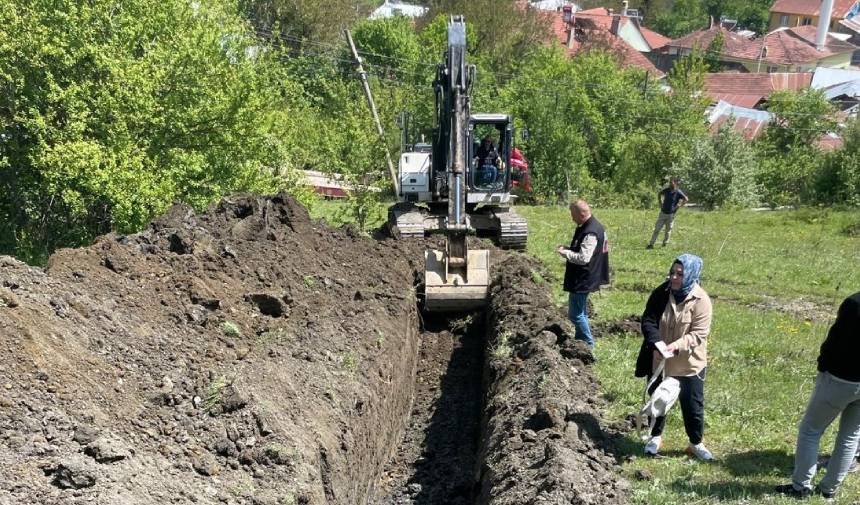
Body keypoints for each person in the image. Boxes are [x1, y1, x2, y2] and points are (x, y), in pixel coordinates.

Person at [775, 291, 860, 500]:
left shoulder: (854, 303)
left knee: (810, 430)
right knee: (850, 436)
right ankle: (829, 490)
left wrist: (823, 365)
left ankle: (800, 486)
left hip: (840, 379)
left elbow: (836, 340)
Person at [634, 254, 714, 460]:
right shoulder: (661, 293)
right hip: (661, 361)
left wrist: (675, 347)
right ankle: (655, 436)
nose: (674, 277)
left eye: (680, 274)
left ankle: (695, 443)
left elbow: (698, 333)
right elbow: (648, 320)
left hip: (689, 364)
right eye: (672, 273)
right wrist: (656, 343)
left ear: (692, 275)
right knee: (658, 400)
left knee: (693, 407)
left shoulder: (701, 300)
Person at [556, 200, 609, 349]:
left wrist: (565, 253)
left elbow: (584, 258)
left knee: (575, 314)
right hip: (586, 276)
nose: (572, 218)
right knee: (581, 313)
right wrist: (570, 248)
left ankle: (589, 344)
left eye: (573, 215)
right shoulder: (591, 226)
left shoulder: (591, 231)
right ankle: (581, 341)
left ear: (582, 214)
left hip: (583, 278)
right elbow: (584, 250)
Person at [647, 177, 688, 249]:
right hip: (663, 213)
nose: (670, 184)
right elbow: (659, 194)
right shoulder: (666, 190)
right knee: (657, 229)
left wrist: (679, 206)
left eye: (671, 183)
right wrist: (660, 202)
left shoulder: (678, 192)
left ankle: (665, 243)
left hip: (671, 214)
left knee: (668, 230)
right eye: (670, 183)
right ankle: (651, 244)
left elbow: (686, 199)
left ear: (675, 183)